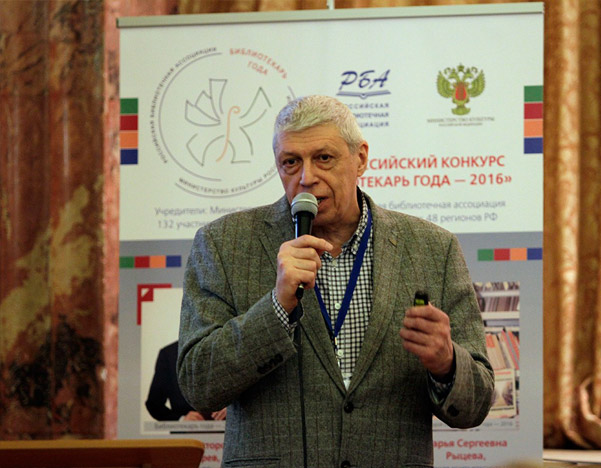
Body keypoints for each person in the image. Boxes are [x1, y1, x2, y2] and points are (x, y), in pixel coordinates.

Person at [177, 95, 494, 467]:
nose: (306, 177)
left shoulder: (433, 248)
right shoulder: (223, 244)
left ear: (361, 158)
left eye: (324, 158)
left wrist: (446, 363)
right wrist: (276, 308)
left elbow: (476, 405)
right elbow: (198, 384)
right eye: (291, 162)